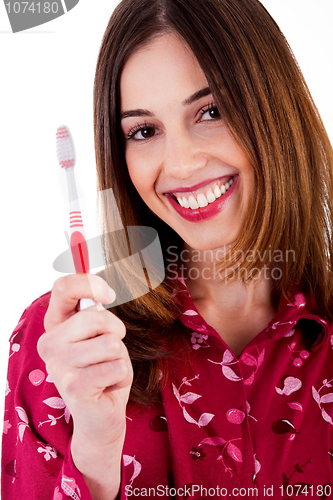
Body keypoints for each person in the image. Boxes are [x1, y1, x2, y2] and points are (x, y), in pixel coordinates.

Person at [2, 0, 333, 498]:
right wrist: (94, 451)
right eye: (144, 130)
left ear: (276, 109)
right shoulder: (64, 347)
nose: (179, 165)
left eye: (211, 111)